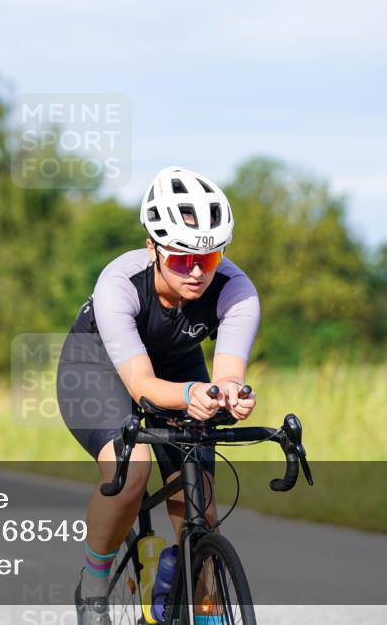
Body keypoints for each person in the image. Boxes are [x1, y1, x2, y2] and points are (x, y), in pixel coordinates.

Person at [57, 167, 260, 625]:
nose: (194, 271)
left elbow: (227, 372)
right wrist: (191, 393)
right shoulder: (119, 285)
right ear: (152, 247)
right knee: (132, 471)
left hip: (178, 366)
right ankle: (93, 584)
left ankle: (199, 599)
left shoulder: (237, 291)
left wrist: (231, 394)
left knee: (199, 505)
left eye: (207, 260)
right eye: (180, 258)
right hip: (100, 369)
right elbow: (142, 388)